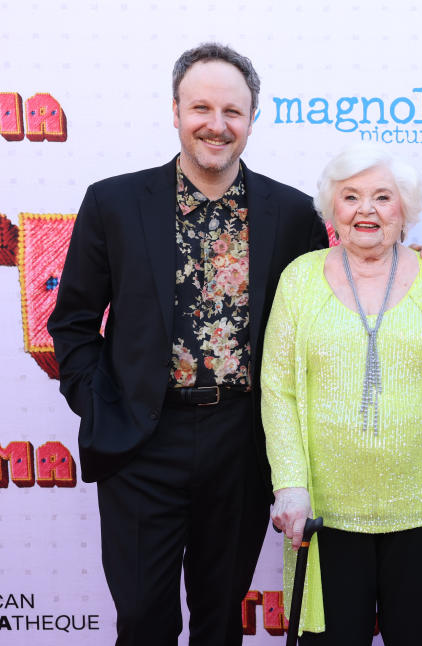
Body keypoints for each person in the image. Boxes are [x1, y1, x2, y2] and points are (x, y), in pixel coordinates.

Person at [45, 43, 330, 645]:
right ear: (175, 110)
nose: (216, 124)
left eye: (233, 111)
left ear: (252, 118)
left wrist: (417, 262)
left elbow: (325, 317)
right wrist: (99, 405)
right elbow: (72, 322)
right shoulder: (114, 202)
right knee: (144, 619)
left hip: (240, 444)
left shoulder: (295, 214)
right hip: (141, 442)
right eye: (201, 107)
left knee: (221, 619)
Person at [264, 143, 422, 645]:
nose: (366, 210)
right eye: (351, 197)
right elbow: (277, 390)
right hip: (323, 513)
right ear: (333, 209)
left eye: (382, 197)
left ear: (405, 210)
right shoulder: (298, 280)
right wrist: (289, 484)